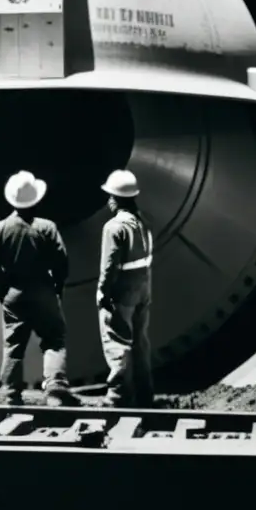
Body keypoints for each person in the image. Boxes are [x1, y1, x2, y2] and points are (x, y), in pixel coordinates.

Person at [0, 171, 79, 407]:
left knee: (14, 346)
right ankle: (55, 389)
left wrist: (2, 293)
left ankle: (11, 396)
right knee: (54, 339)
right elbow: (61, 262)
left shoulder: (0, 230)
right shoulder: (47, 227)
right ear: (36, 200)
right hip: (43, 291)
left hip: (14, 294)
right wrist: (57, 287)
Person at [97, 169, 154, 408]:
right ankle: (144, 394)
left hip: (122, 291)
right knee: (140, 342)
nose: (108, 199)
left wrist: (103, 292)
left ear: (117, 198)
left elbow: (109, 266)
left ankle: (118, 396)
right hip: (143, 288)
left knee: (117, 339)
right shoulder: (143, 223)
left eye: (111, 195)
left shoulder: (114, 227)